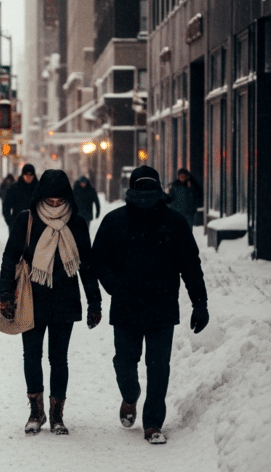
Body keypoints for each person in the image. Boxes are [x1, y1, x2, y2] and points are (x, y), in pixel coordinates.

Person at [92, 165, 208, 445]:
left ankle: (153, 423)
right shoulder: (115, 221)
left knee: (158, 368)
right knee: (125, 363)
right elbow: (99, 260)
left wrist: (200, 302)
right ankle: (130, 396)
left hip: (161, 307)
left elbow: (190, 265)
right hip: (127, 307)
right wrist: (115, 287)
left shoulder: (174, 222)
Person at [0, 169, 102, 436]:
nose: (55, 206)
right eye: (50, 201)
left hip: (65, 299)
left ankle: (57, 415)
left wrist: (95, 302)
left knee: (59, 358)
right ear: (40, 198)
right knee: (31, 355)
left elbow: (87, 266)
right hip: (32, 298)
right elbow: (10, 259)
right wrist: (6, 295)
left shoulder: (77, 223)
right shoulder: (27, 220)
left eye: (59, 201)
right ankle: (36, 411)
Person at [3, 164, 39, 231]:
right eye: (26, 174)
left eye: (30, 174)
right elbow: (6, 206)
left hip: (35, 227)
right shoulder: (14, 188)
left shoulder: (39, 189)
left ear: (34, 175)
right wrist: (10, 222)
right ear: (22, 175)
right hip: (17, 226)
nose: (28, 177)